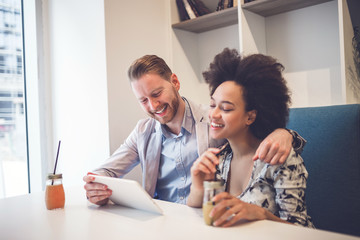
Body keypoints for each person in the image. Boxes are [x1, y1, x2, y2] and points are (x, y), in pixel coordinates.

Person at [83, 54, 306, 206]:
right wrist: (96, 190)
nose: (153, 106)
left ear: (175, 82)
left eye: (157, 94)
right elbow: (102, 173)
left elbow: (256, 133)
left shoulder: (214, 121)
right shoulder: (144, 131)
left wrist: (285, 133)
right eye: (143, 100)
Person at [187, 48, 314, 227]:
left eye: (226, 108)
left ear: (250, 116)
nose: (213, 114)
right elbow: (196, 211)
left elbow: (301, 230)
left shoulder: (278, 158)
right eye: (212, 104)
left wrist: (262, 214)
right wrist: (198, 185)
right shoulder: (219, 159)